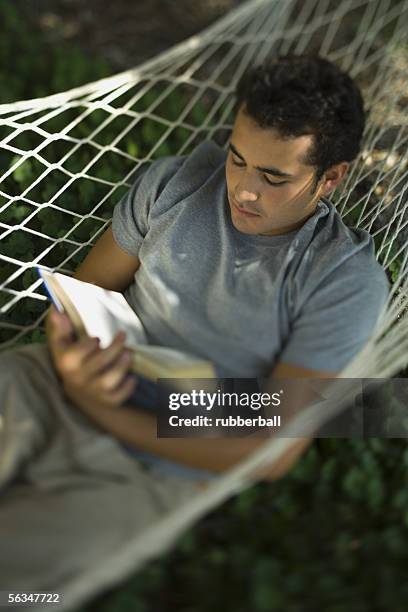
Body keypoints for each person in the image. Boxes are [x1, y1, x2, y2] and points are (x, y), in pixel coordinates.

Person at [0, 54, 389, 598]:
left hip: (159, 463)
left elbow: (272, 452)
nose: (243, 190)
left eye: (274, 176)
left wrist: (98, 408)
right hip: (55, 383)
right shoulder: (174, 185)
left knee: (16, 587)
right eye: (237, 159)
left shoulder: (342, 282)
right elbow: (83, 294)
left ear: (332, 178)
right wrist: (66, 362)